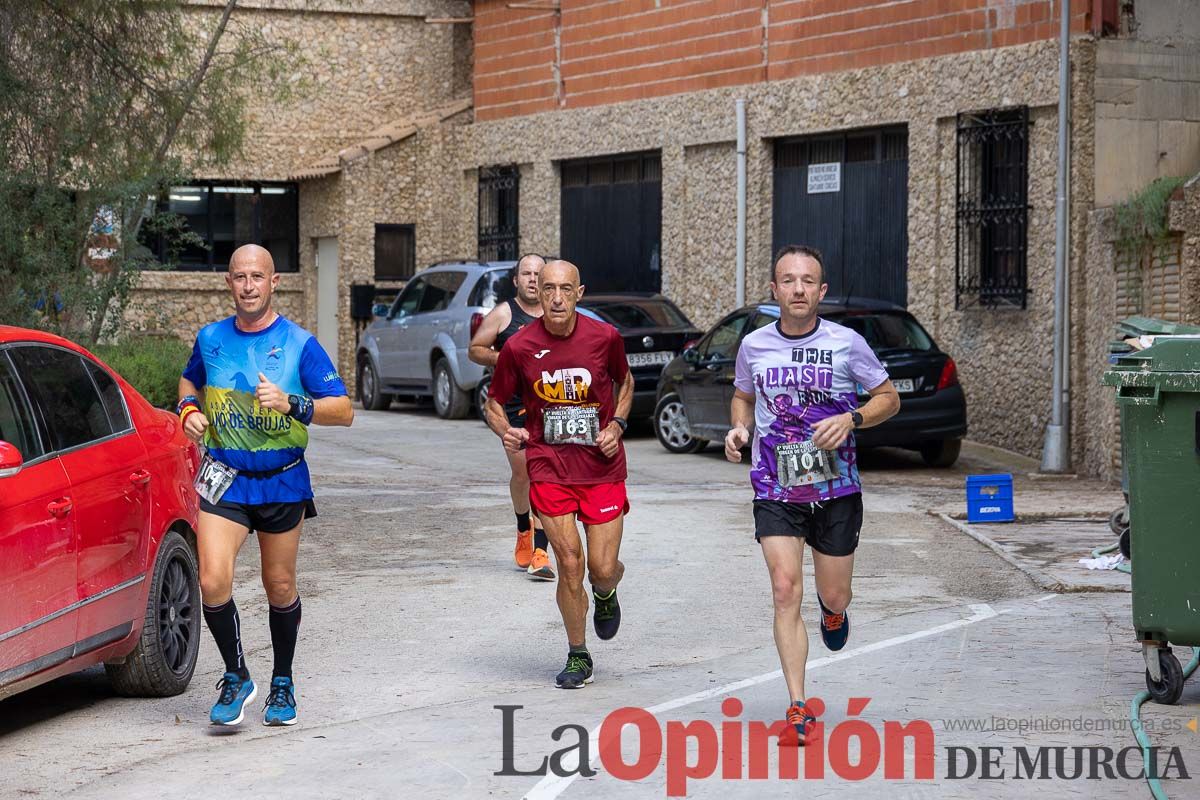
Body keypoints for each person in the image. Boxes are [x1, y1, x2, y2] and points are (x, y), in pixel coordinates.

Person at [725, 245, 900, 744]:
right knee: (784, 590)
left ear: (821, 291)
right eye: (788, 279)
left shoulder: (848, 344)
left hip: (837, 488)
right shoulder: (754, 345)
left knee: (833, 591)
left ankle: (834, 610)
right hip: (775, 486)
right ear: (773, 289)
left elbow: (889, 398)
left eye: (808, 281)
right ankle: (798, 706)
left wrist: (852, 418)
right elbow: (743, 394)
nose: (798, 289)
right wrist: (740, 429)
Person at [177, 244, 353, 727]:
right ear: (229, 283)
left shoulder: (299, 343)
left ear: (274, 283)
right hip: (225, 478)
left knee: (279, 585)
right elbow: (188, 382)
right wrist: (188, 410)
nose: (248, 285)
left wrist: (293, 404)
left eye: (257, 276)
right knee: (211, 579)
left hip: (281, 480)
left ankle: (282, 681)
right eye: (239, 277)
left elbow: (344, 410)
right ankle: (236, 675)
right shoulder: (210, 338)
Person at [485, 260, 634, 689]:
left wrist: (617, 426)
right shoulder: (519, 346)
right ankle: (578, 654)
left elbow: (625, 384)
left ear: (579, 293)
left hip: (601, 469)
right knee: (570, 563)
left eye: (565, 289)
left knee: (602, 568)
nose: (555, 297)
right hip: (549, 468)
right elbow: (494, 402)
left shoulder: (604, 338)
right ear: (536, 291)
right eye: (548, 288)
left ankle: (605, 593)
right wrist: (507, 431)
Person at [468, 254, 554, 580]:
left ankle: (541, 552)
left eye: (538, 274)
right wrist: (502, 357)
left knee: (543, 476)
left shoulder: (555, 313)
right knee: (524, 474)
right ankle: (523, 527)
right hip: (511, 408)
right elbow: (475, 348)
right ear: (516, 280)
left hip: (550, 409)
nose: (533, 279)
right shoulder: (505, 313)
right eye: (526, 274)